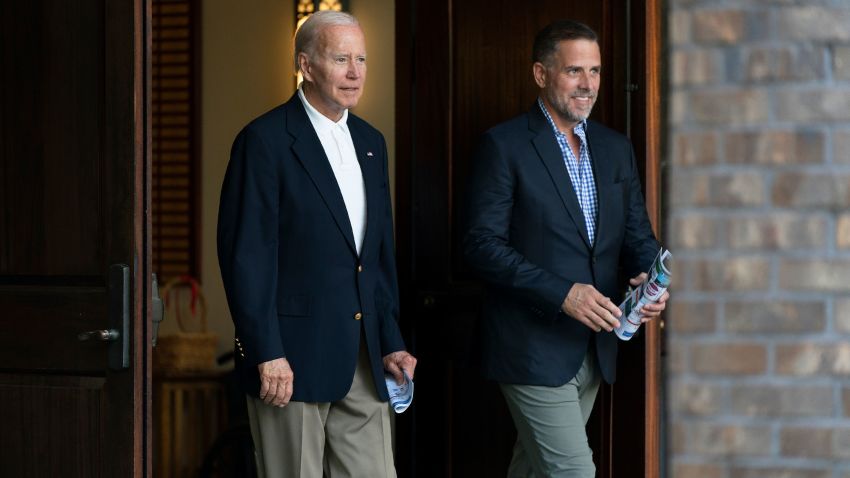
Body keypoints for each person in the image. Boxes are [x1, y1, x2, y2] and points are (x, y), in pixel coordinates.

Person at [463, 19, 669, 477]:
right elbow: (480, 245)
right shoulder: (504, 145)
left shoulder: (616, 149)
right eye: (574, 71)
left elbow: (637, 237)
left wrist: (648, 279)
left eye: (595, 71)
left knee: (535, 469)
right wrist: (563, 293)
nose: (588, 84)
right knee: (573, 472)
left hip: (596, 347)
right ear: (541, 74)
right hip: (530, 345)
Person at [217, 11, 416, 478]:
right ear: (306, 64)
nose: (355, 72)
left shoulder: (372, 142)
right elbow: (247, 256)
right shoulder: (262, 141)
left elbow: (377, 258)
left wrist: (390, 341)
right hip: (289, 359)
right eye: (341, 58)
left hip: (364, 359)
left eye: (362, 59)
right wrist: (266, 351)